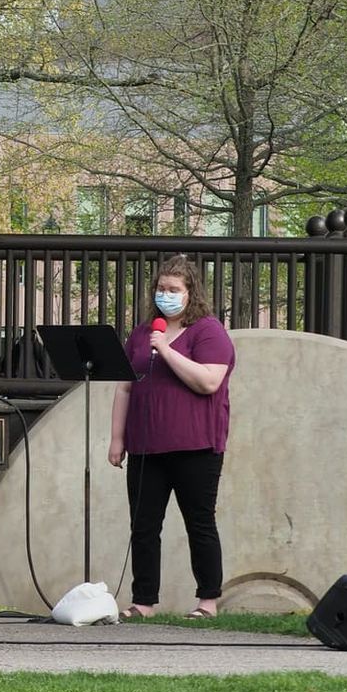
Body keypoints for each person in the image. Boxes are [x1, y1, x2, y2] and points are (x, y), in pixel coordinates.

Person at [107, 255, 236, 620]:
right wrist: (117, 439)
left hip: (196, 446)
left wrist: (165, 349)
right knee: (144, 526)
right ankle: (144, 601)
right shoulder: (142, 332)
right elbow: (125, 389)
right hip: (146, 445)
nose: (166, 295)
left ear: (190, 293)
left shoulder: (208, 332)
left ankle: (207, 601)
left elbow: (209, 380)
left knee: (199, 522)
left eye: (173, 289)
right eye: (161, 289)